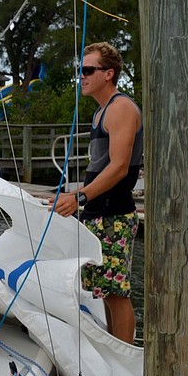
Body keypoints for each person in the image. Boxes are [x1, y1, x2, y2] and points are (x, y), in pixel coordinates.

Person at [53, 41, 143, 344]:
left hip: (114, 214)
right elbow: (102, 166)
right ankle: (113, 349)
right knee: (104, 290)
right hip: (97, 213)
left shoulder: (121, 109)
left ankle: (125, 360)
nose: (82, 76)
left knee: (117, 293)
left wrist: (79, 196)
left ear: (109, 73)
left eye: (88, 70)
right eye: (80, 70)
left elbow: (119, 168)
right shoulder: (100, 113)